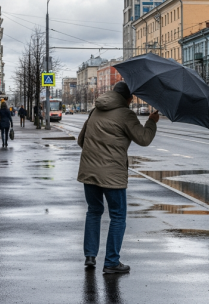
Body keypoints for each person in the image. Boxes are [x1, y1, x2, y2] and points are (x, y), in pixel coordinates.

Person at [77, 82, 159, 274]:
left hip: (89, 171)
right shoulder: (125, 114)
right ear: (128, 98)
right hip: (113, 174)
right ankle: (111, 262)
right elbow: (144, 139)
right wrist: (151, 122)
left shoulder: (94, 111)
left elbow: (81, 140)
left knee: (94, 211)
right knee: (118, 215)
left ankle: (90, 256)